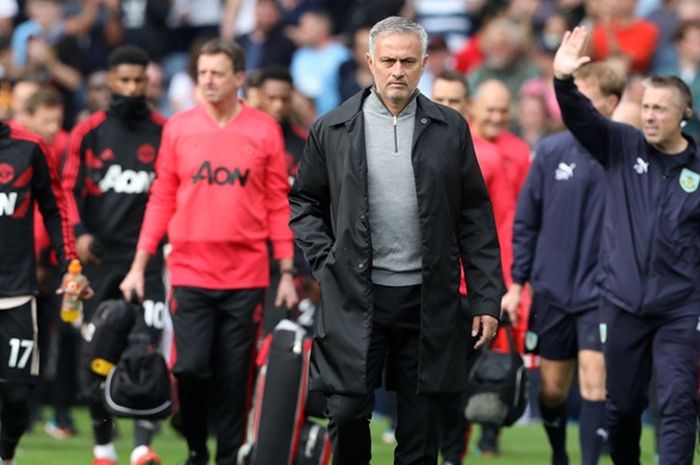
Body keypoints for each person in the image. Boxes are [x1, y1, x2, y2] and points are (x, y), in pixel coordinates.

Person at [288, 16, 503, 465]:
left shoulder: (451, 128)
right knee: (345, 414)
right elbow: (304, 202)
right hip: (353, 296)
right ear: (370, 62)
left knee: (420, 431)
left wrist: (486, 298)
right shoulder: (333, 127)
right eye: (388, 61)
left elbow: (475, 217)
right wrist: (327, 260)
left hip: (428, 298)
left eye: (408, 61)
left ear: (425, 64)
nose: (397, 71)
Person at [119, 39, 298, 465]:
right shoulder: (179, 128)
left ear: (238, 78)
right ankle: (197, 446)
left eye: (217, 73)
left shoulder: (263, 130)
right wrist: (139, 264)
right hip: (189, 269)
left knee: (236, 375)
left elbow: (277, 201)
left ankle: (228, 455)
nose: (208, 81)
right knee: (190, 369)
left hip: (247, 272)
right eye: (202, 73)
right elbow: (162, 196)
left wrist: (287, 270)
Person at [553, 26, 700, 465]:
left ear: (684, 114)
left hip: (680, 308)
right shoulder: (621, 144)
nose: (651, 116)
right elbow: (583, 118)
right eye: (647, 108)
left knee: (676, 402)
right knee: (621, 409)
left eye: (660, 109)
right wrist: (562, 80)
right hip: (621, 303)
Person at [503, 61, 625, 465]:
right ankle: (559, 453)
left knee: (595, 381)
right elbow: (526, 220)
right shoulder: (552, 151)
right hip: (552, 289)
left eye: (585, 100)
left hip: (602, 292)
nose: (576, 109)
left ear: (611, 103)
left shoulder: (626, 154)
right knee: (552, 390)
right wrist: (518, 282)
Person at [61, 45, 167, 465]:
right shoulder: (87, 133)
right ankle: (103, 447)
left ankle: (142, 447)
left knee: (146, 352)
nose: (131, 88)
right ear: (109, 82)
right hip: (99, 262)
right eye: (123, 80)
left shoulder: (165, 131)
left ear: (148, 82)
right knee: (98, 356)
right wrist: (81, 234)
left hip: (150, 261)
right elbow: (65, 193)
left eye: (139, 80)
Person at [430, 70, 513, 465]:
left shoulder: (488, 156)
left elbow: (502, 225)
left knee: (456, 382)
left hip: (467, 288)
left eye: (454, 101)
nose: (446, 107)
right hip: (421, 284)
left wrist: (503, 286)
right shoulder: (409, 147)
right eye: (440, 99)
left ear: (468, 107)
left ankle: (452, 456)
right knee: (420, 379)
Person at [0, 117, 78, 465]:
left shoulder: (29, 147)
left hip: (15, 290)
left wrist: (70, 263)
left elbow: (55, 207)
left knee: (16, 393)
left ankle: (6, 454)